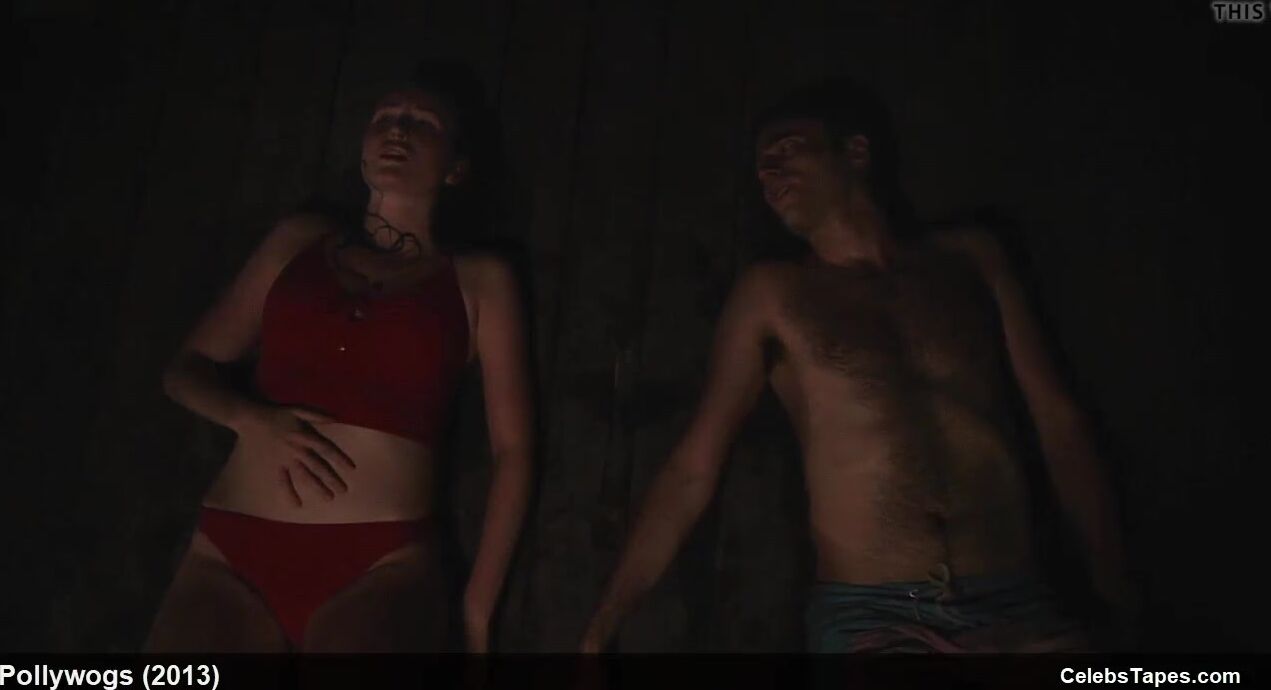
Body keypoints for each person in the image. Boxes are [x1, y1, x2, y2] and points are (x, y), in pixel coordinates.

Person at [581, 78, 1136, 653]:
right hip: (874, 615)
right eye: (761, 167)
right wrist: (601, 630)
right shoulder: (774, 294)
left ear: (855, 152)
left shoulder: (971, 258)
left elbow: (1057, 420)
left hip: (1016, 602)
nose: (769, 171)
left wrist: (1113, 584)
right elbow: (693, 469)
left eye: (787, 149)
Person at [144, 62, 534, 653]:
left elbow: (515, 452)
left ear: (456, 167)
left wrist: (477, 614)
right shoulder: (298, 241)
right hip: (229, 552)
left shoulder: (479, 280)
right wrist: (254, 420)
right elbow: (185, 371)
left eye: (422, 123)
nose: (397, 130)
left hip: (381, 562)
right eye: (385, 118)